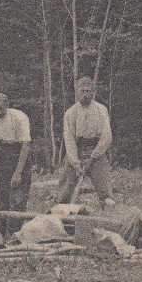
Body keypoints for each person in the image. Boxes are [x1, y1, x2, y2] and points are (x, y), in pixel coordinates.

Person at [57, 77, 116, 209]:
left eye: (88, 91)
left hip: (97, 152)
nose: (85, 94)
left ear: (93, 92)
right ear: (77, 92)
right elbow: (69, 139)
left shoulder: (101, 110)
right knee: (65, 191)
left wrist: (93, 156)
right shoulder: (70, 113)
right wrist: (76, 163)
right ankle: (61, 218)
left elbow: (107, 136)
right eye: (82, 91)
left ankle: (109, 216)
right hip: (77, 151)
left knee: (106, 192)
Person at [0, 92, 31, 237]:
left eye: (1, 109)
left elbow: (25, 146)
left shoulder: (19, 117)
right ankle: (4, 235)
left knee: (18, 199)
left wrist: (18, 173)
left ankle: (14, 234)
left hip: (19, 154)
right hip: (2, 156)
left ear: (7, 106)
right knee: (1, 197)